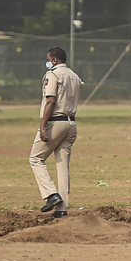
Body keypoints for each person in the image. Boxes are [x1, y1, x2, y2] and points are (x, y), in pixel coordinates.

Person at [30, 47, 82, 219]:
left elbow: (51, 101)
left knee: (36, 158)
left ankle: (51, 195)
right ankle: (62, 209)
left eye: (48, 59)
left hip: (56, 122)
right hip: (71, 123)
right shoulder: (74, 76)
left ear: (54, 60)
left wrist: (43, 126)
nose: (47, 62)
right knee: (62, 164)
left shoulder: (53, 75)